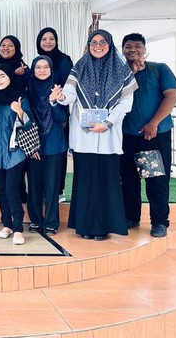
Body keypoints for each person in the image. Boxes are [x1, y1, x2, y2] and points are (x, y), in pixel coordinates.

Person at [53, 29, 138, 241]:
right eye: (93, 42)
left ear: (110, 44)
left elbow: (126, 104)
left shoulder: (122, 70)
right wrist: (59, 97)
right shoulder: (79, 67)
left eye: (102, 42)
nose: (97, 46)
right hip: (84, 137)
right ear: (88, 45)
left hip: (108, 136)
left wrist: (107, 123)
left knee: (107, 183)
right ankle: (85, 226)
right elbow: (69, 95)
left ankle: (103, 228)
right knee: (85, 182)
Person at [120, 33, 176, 237]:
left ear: (145, 50)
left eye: (137, 46)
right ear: (122, 51)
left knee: (155, 180)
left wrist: (154, 123)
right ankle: (131, 217)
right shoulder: (120, 74)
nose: (133, 49)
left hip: (153, 135)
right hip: (127, 136)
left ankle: (159, 221)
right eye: (128, 46)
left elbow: (171, 96)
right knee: (128, 179)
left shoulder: (158, 69)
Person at [0, 64, 34, 245]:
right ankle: (6, 225)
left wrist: (20, 111)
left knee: (11, 190)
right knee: (1, 190)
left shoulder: (20, 97)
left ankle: (18, 229)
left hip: (15, 153)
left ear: (10, 76)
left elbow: (29, 124)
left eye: (2, 76)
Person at [25, 56, 68, 235]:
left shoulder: (58, 89)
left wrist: (53, 101)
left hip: (54, 144)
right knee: (34, 185)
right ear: (33, 70)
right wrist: (32, 145)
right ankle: (36, 221)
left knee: (52, 187)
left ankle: (51, 222)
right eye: (38, 67)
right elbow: (25, 117)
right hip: (33, 143)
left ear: (51, 69)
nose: (42, 70)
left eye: (45, 67)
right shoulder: (27, 89)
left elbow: (63, 118)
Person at [36, 27, 74, 204]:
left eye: (51, 38)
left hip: (58, 112)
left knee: (58, 154)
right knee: (43, 154)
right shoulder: (39, 61)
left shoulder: (64, 60)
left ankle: (59, 190)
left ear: (56, 41)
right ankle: (44, 191)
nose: (48, 42)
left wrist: (62, 113)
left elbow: (68, 89)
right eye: (44, 39)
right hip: (41, 115)